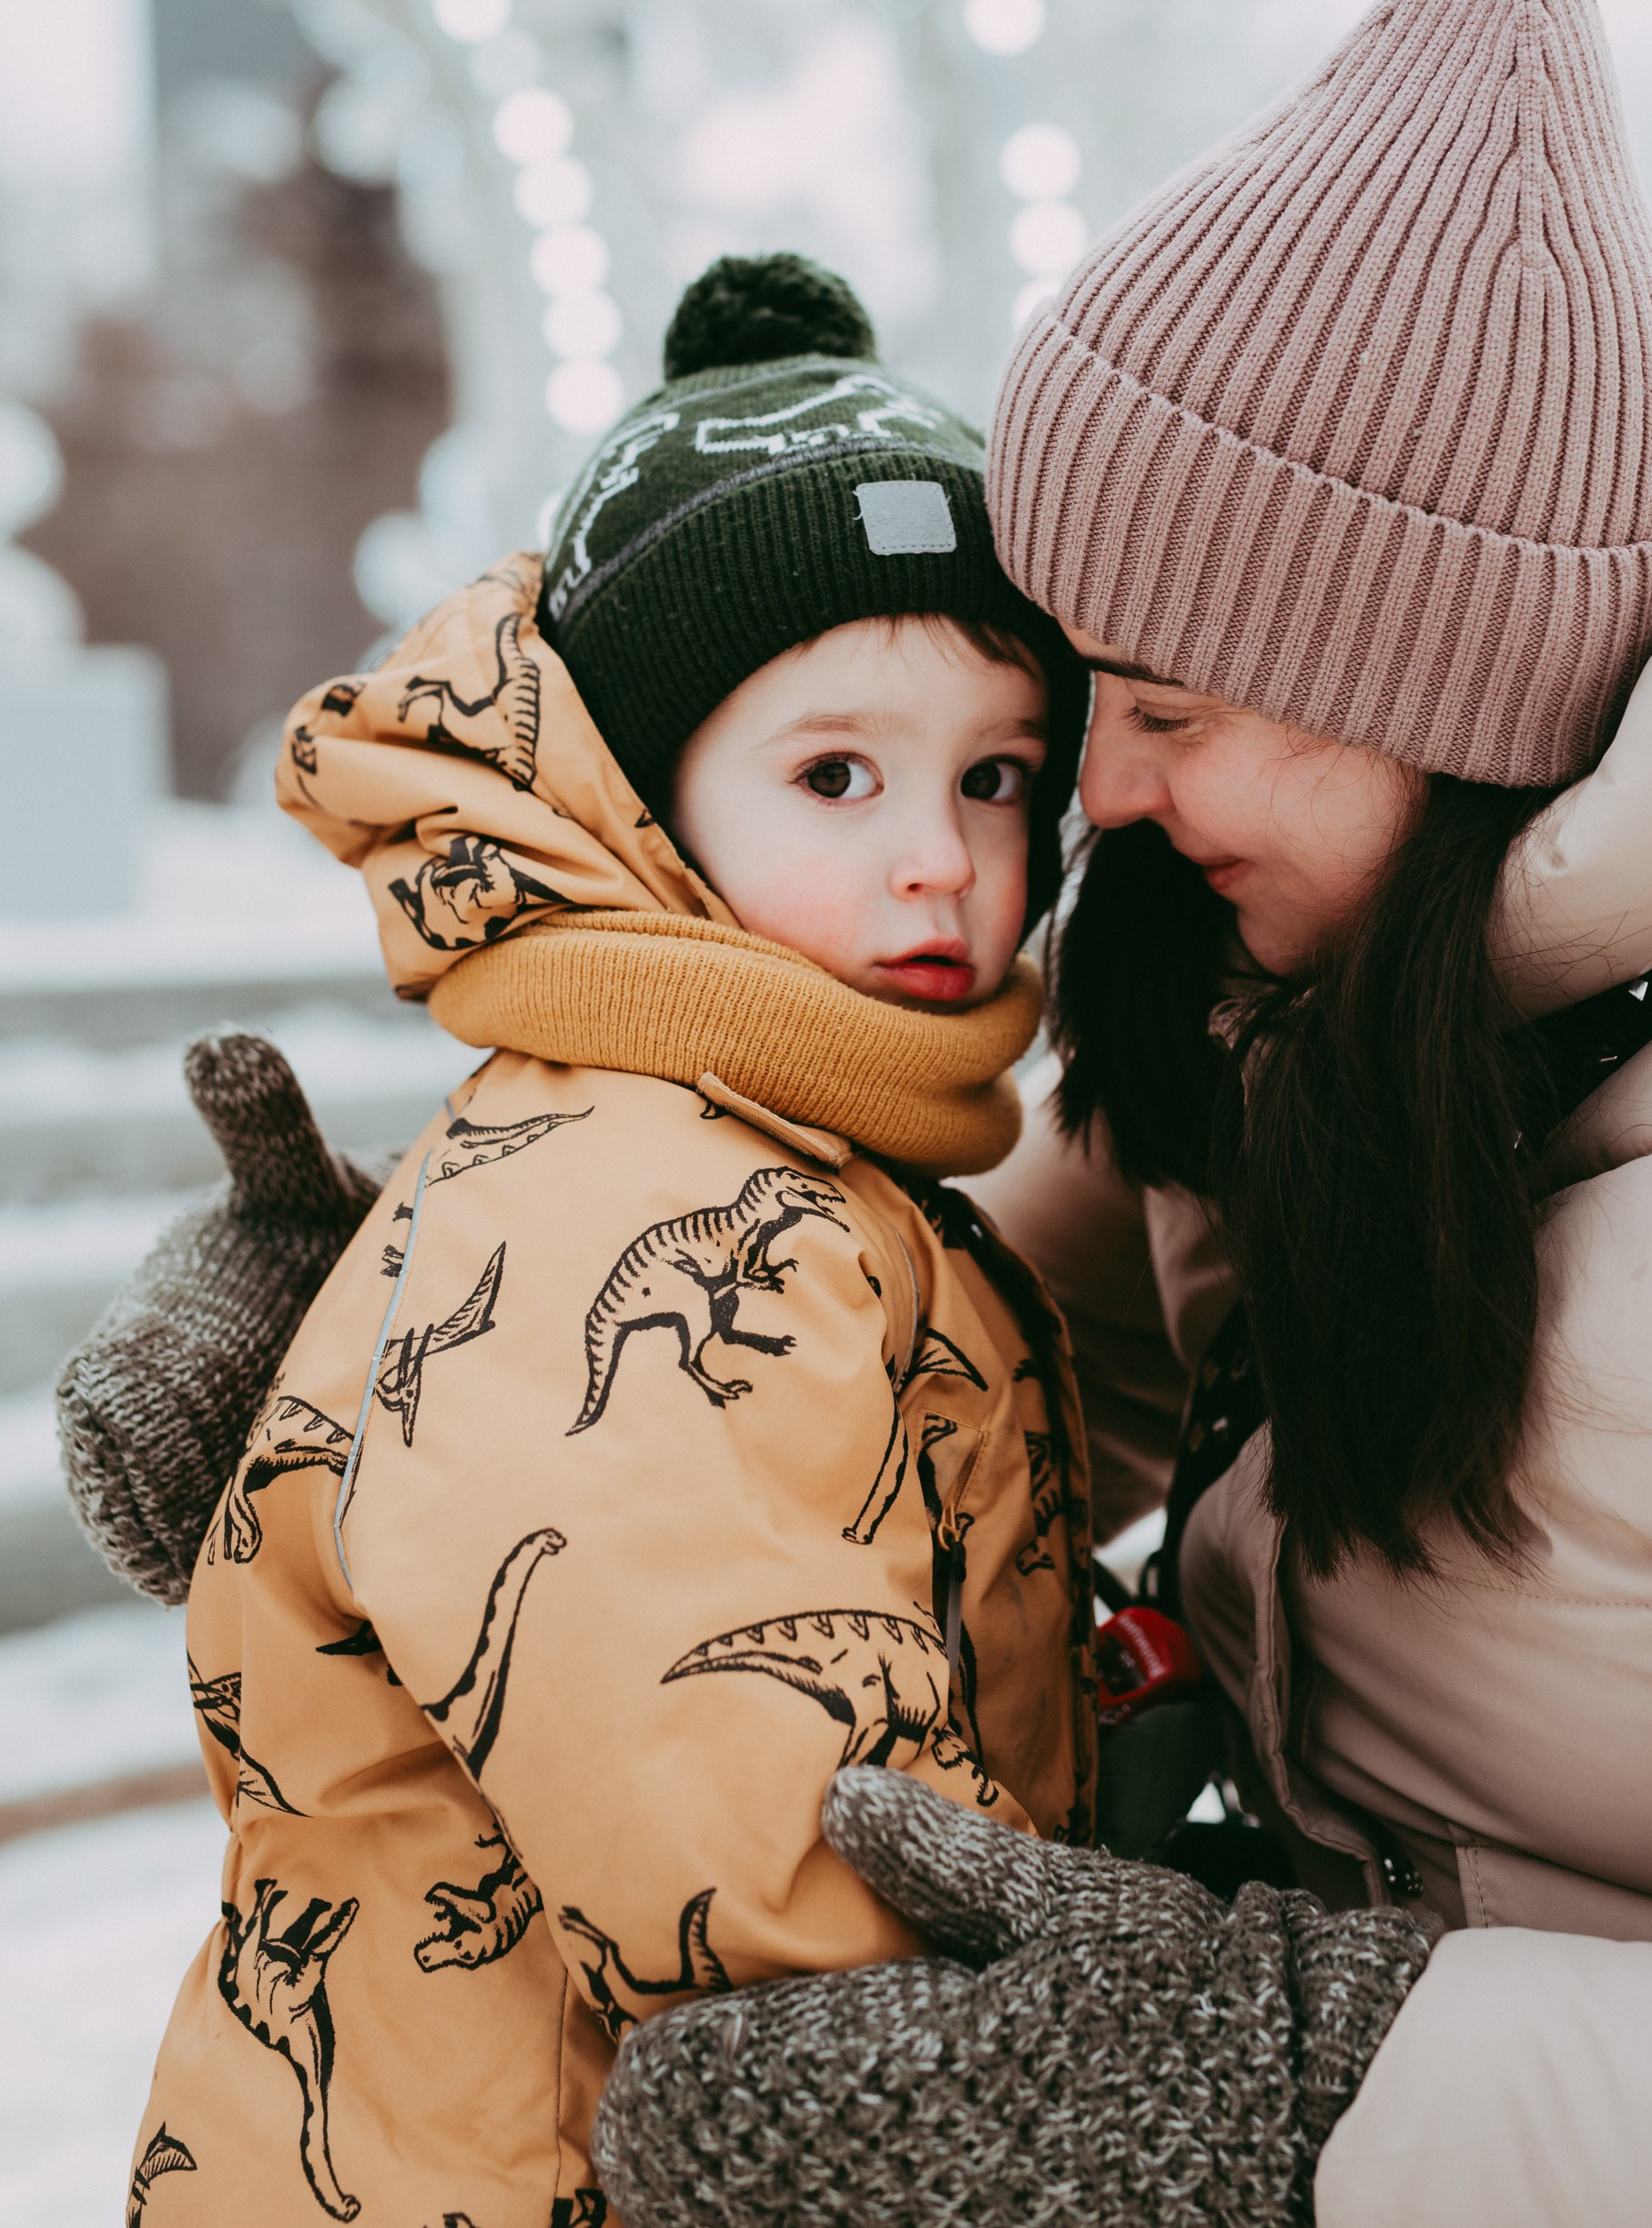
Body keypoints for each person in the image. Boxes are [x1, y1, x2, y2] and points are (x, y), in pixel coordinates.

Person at [586, 0, 1652, 2228]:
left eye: (1166, 710)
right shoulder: (1288, 995)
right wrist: (402, 1374)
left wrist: (1294, 2081)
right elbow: (912, 1374)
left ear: (1460, 692)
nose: (1108, 803)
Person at [119, 254, 1118, 2224]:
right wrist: (1044, 2090)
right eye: (836, 774)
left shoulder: (792, 1149)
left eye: (999, 775)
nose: (943, 853)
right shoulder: (646, 1183)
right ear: (644, 808)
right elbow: (751, 1841)